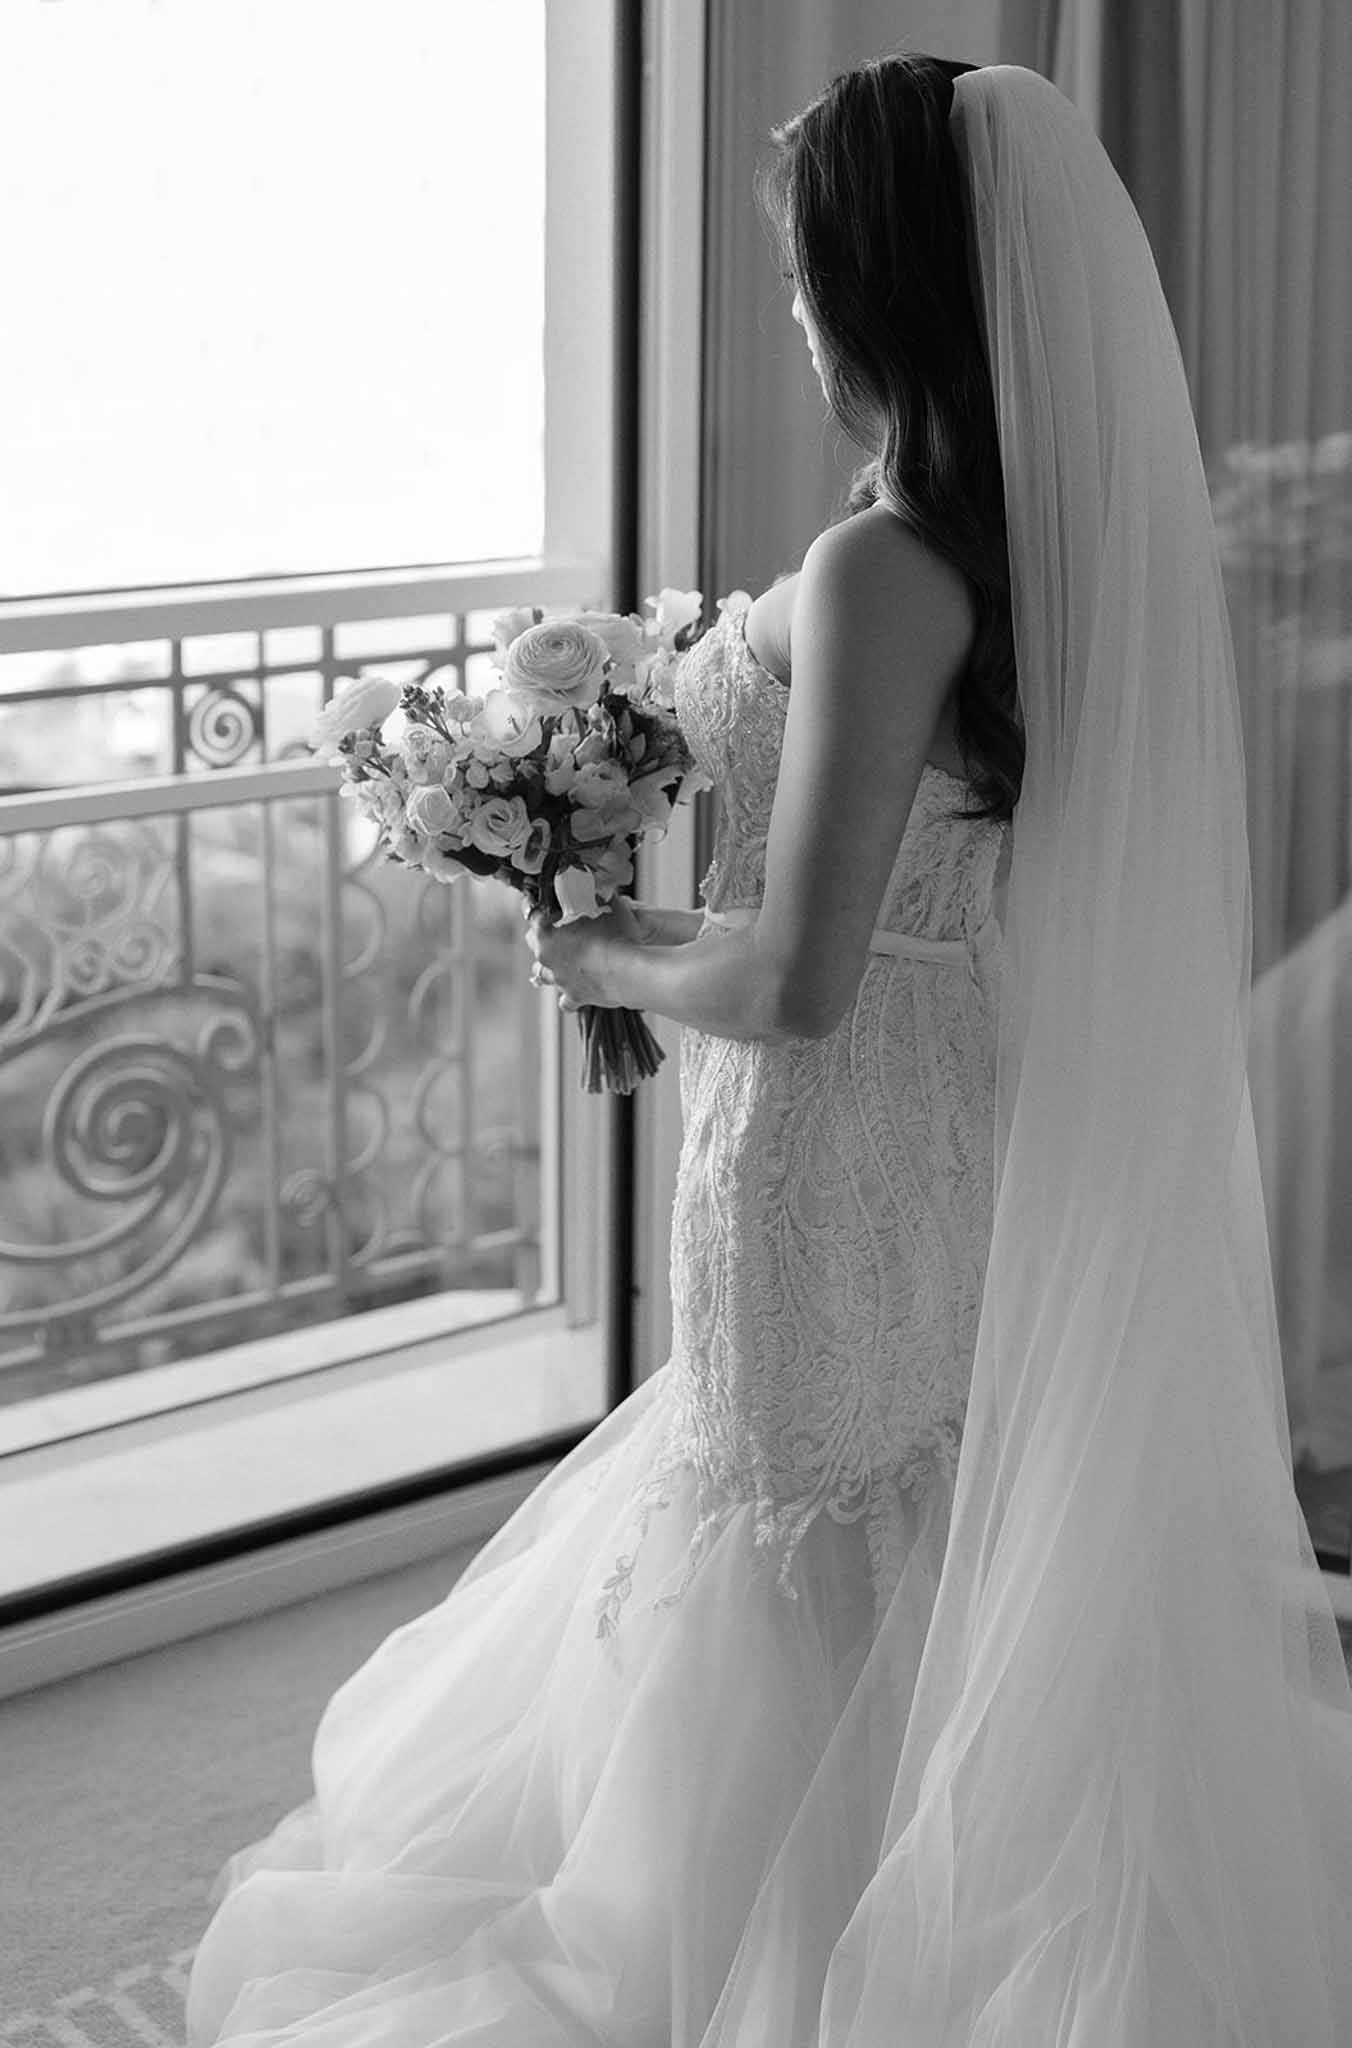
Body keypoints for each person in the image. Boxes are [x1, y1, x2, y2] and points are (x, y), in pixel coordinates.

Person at [185, 57, 1352, 2046]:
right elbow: (909, 893)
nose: (793, 307)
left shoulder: (884, 565)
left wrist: (605, 947)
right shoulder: (1025, 542)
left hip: (837, 1114)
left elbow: (806, 975)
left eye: (807, 268)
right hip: (944, 1086)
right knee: (901, 1494)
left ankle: (779, 1957)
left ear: (882, 285)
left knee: (804, 1496)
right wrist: (643, 894)